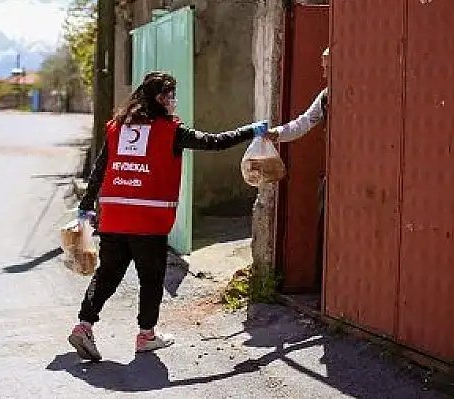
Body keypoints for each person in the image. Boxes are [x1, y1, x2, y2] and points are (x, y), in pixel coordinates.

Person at [69, 71, 266, 361]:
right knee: (151, 278)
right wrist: (251, 130)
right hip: (148, 222)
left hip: (114, 217)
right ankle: (146, 335)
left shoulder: (117, 128)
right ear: (161, 98)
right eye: (171, 96)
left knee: (108, 274)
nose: (174, 102)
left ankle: (84, 325)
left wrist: (86, 205)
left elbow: (100, 168)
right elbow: (215, 142)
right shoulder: (171, 130)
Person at [267, 47, 330, 289]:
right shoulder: (326, 96)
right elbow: (303, 122)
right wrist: (276, 134)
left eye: (327, 66)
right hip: (332, 176)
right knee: (325, 230)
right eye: (323, 66)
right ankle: (323, 291)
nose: (324, 72)